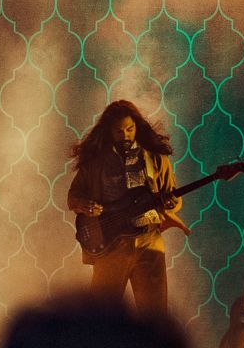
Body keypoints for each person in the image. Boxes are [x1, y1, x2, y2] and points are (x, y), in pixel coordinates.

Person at [66, 100, 186, 312]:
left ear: (137, 127)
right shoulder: (96, 162)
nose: (125, 135)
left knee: (154, 316)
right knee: (101, 317)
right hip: (111, 246)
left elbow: (174, 199)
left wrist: (171, 202)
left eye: (130, 129)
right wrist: (85, 206)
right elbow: (73, 196)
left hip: (148, 242)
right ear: (109, 132)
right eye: (119, 131)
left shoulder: (155, 157)